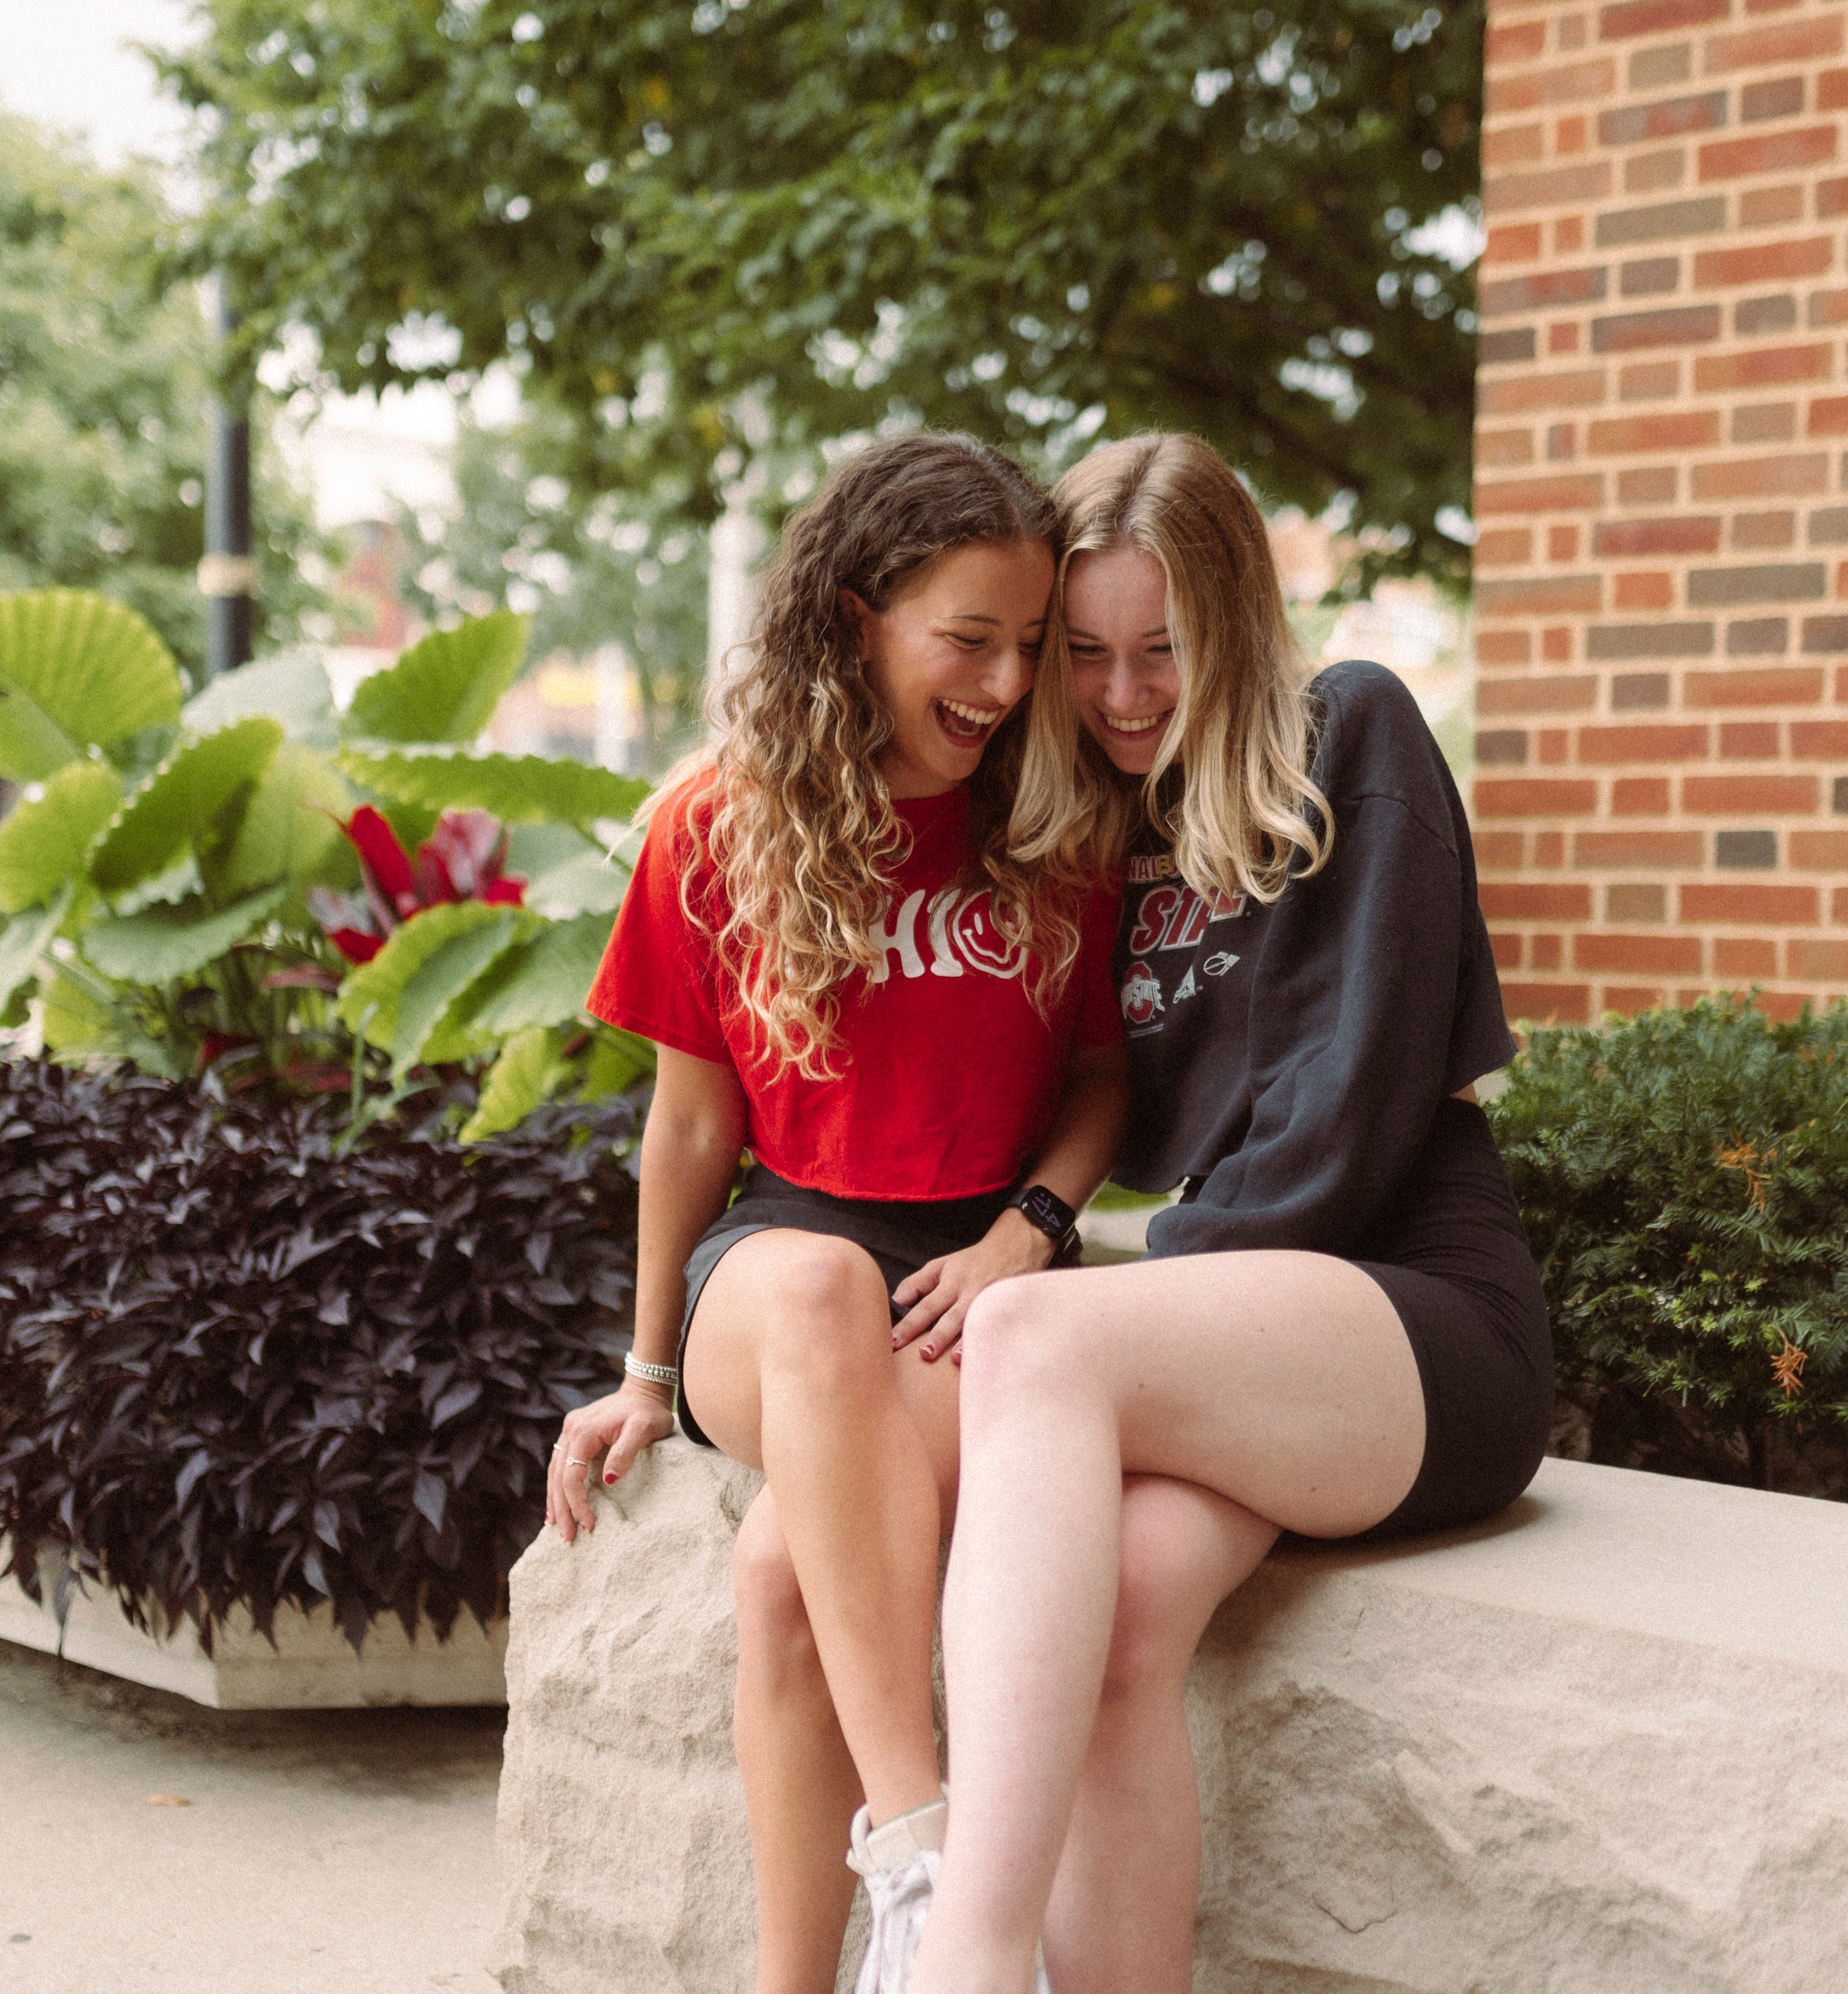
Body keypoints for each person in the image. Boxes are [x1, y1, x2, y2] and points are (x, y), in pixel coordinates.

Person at [898, 432, 1554, 1994]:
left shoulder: (1354, 733)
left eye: (1166, 651)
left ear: (1236, 626)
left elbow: (1352, 1117)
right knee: (1118, 1635)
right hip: (1261, 1337)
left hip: (1416, 1312)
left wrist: (1097, 1297)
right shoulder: (1107, 824)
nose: (1126, 695)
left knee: (1041, 1344)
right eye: (1088, 655)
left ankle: (965, 1968)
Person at [545, 433, 1129, 1994]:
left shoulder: (1058, 829)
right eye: (969, 639)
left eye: (1029, 646)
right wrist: (645, 1374)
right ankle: (928, 1852)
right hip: (782, 1258)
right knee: (809, 1292)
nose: (1008, 685)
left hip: (972, 1276)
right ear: (860, 611)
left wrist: (1033, 1230)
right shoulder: (714, 827)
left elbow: (1102, 1087)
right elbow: (688, 1123)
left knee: (781, 1581)